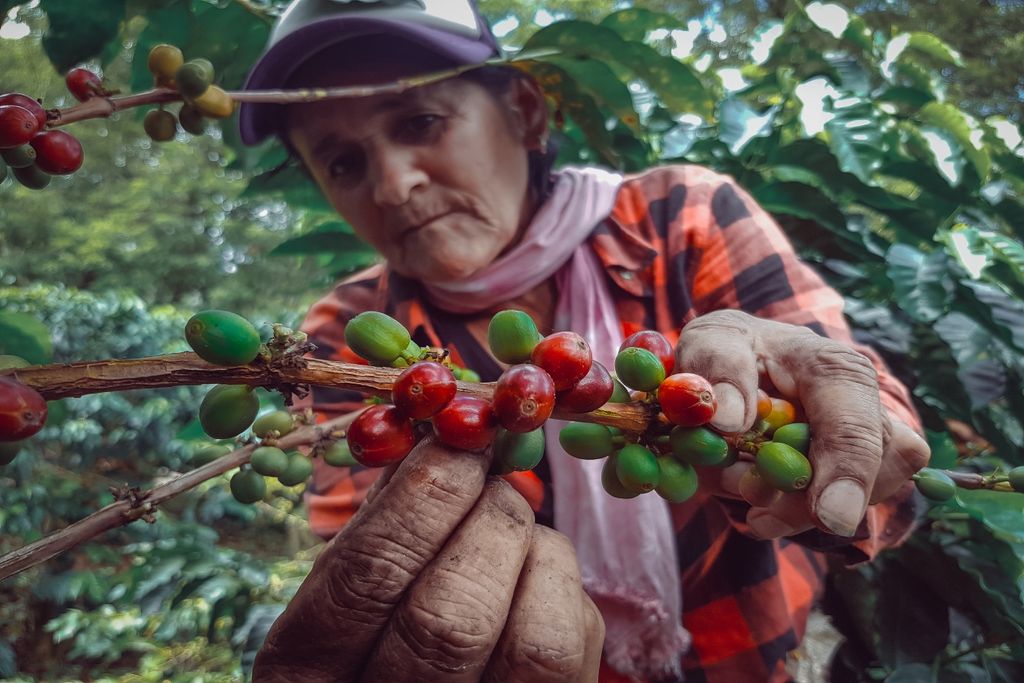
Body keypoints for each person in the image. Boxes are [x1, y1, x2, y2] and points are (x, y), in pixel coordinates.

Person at [237, 1, 931, 681]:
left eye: (421, 122)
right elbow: (384, 578)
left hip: (755, 655)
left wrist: (850, 444)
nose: (393, 185)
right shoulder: (337, 339)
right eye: (343, 164)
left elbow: (886, 468)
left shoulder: (681, 218)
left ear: (525, 113)